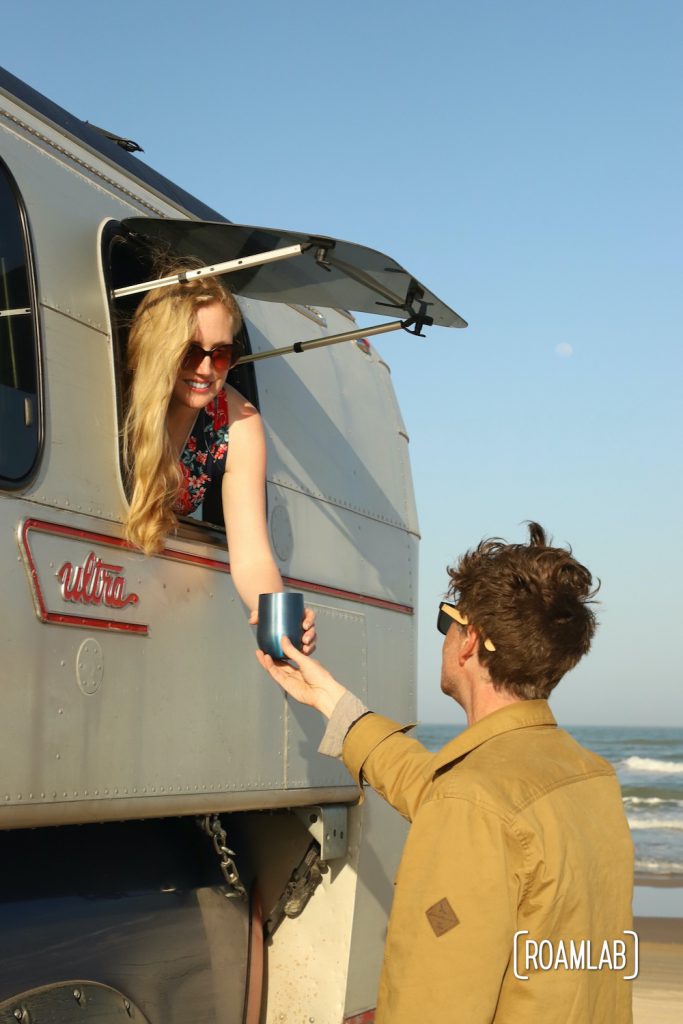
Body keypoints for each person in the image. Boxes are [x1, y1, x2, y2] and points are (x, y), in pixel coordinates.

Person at [257, 523, 633, 1022]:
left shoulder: (470, 801)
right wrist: (329, 699)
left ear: (469, 640)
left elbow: (434, 1003)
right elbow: (431, 782)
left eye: (446, 621)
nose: (445, 635)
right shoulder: (590, 776)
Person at [123, 268, 315, 648]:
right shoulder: (115, 392)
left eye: (221, 353)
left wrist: (277, 612)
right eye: (190, 351)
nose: (207, 369)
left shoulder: (238, 422)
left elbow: (252, 556)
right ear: (161, 346)